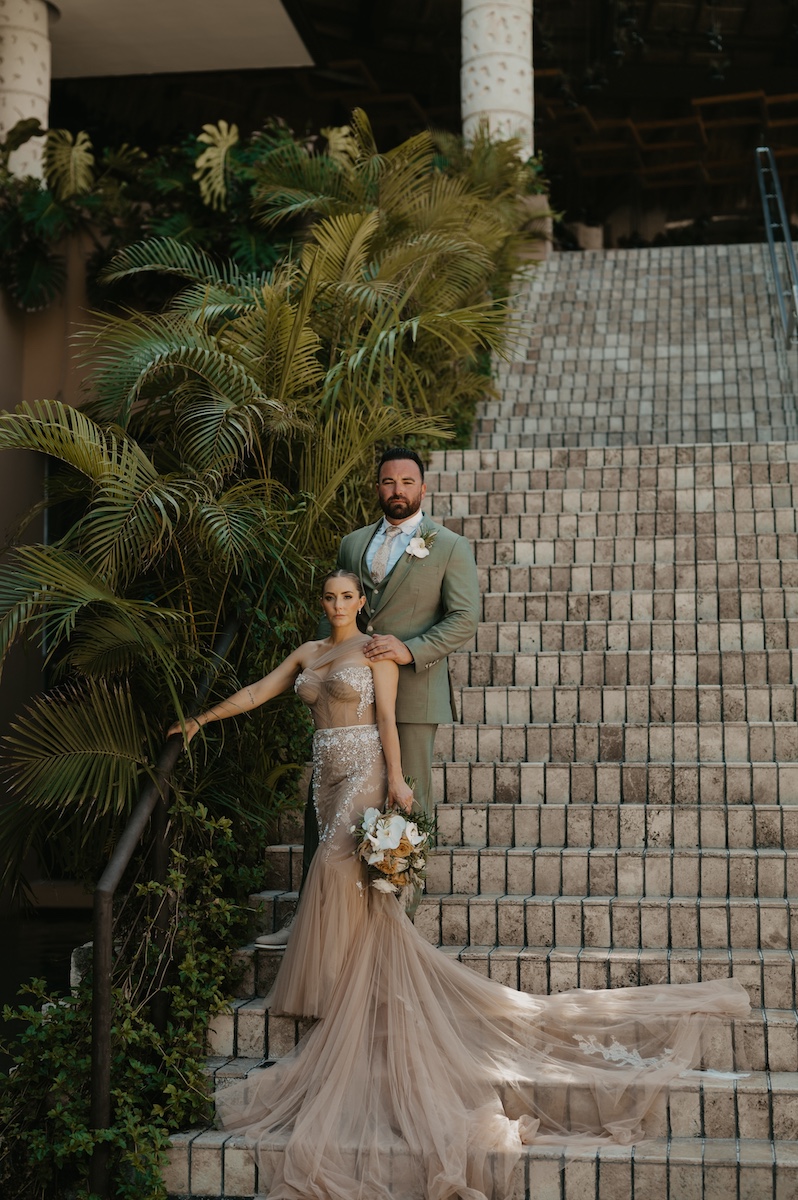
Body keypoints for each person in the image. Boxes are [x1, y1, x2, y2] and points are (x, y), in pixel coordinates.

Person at [170, 571, 750, 1200]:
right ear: (323, 603)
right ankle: (350, 979)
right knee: (343, 882)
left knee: (336, 869)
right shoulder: (310, 655)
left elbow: (387, 717)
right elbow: (259, 690)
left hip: (365, 766)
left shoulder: (374, 651)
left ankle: (345, 988)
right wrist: (200, 719)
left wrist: (398, 780)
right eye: (329, 597)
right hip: (325, 774)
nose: (338, 605)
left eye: (347, 597)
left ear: (361, 601)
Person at [259, 446, 480, 944]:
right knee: (328, 802)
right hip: (347, 693)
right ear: (377, 487)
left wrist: (410, 648)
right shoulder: (353, 542)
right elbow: (335, 618)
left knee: (408, 802)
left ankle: (400, 919)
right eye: (387, 481)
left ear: (423, 489)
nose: (397, 490)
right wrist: (317, 674)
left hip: (416, 690)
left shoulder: (448, 546)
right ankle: (309, 919)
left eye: (407, 481)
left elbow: (465, 618)